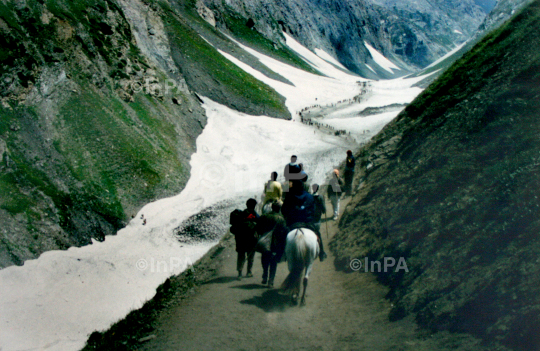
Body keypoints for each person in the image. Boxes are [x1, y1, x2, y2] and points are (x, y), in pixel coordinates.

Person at [281, 179, 327, 261]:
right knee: (318, 233)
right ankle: (321, 253)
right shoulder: (309, 196)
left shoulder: (289, 196)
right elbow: (313, 210)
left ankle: (280, 254)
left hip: (293, 223)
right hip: (307, 223)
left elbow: (284, 210)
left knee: (282, 234)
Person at [256, 202, 287, 288]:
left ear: (272, 208)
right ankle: (271, 280)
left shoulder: (264, 216)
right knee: (273, 261)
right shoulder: (281, 219)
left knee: (264, 258)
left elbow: (258, 228)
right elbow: (284, 232)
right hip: (275, 243)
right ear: (279, 209)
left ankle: (265, 274)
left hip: (265, 242)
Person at [233, 198, 259, 280]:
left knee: (241, 256)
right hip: (251, 240)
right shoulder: (255, 215)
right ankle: (249, 272)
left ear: (246, 205)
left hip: (241, 239)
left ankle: (240, 273)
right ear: (254, 206)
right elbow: (260, 225)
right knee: (250, 256)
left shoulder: (241, 214)